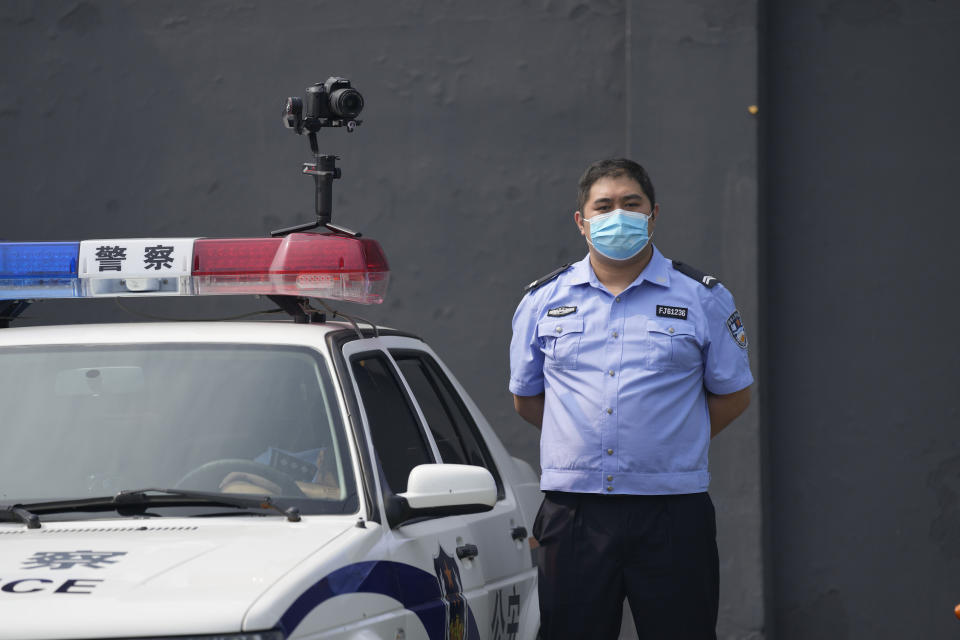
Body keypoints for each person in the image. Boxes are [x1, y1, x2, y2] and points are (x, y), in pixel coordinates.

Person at [509, 158, 753, 640]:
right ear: (582, 221)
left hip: (672, 513)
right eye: (603, 206)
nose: (617, 214)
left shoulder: (702, 298)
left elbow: (734, 395)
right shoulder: (542, 301)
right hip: (575, 512)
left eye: (630, 204)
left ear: (653, 214)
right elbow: (528, 398)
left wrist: (668, 442)